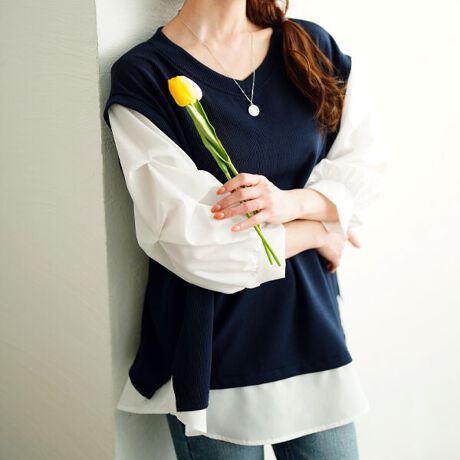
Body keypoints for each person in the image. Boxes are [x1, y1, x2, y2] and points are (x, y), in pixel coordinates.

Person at [103, 0, 388, 458]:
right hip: (211, 350)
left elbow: (364, 167)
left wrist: (292, 203)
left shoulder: (309, 46)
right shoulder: (146, 75)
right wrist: (319, 231)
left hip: (311, 330)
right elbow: (195, 243)